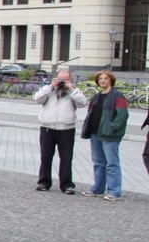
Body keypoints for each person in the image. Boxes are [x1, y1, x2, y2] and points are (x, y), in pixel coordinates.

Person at [34, 69, 86, 194]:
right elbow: (37, 99)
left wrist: (71, 89)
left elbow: (82, 103)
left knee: (66, 158)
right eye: (60, 79)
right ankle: (44, 182)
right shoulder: (49, 89)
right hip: (47, 127)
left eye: (65, 80)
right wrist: (50, 86)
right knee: (45, 157)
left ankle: (67, 184)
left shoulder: (74, 91)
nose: (62, 82)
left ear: (70, 80)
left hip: (66, 129)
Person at [80, 70, 128, 201]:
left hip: (109, 135)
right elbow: (90, 113)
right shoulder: (96, 97)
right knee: (98, 163)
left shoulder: (117, 96)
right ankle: (98, 188)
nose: (103, 81)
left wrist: (112, 128)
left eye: (106, 79)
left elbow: (122, 115)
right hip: (96, 133)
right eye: (100, 79)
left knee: (112, 164)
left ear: (111, 80)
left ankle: (114, 191)